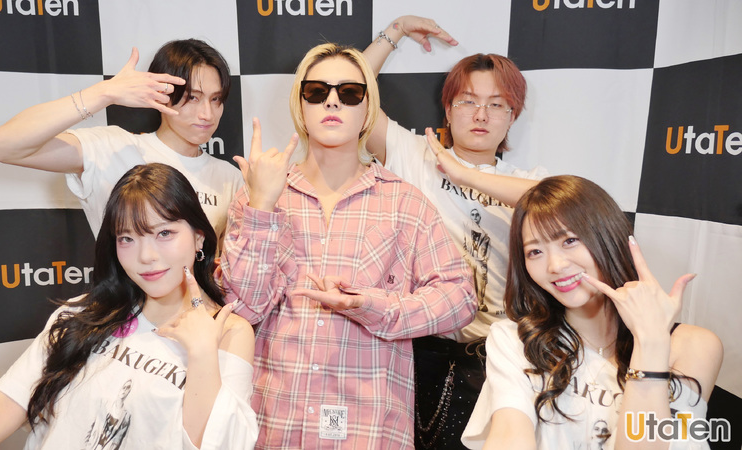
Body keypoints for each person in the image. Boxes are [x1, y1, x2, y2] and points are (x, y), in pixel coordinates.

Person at [220, 43, 477, 449]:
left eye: (350, 92)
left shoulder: (404, 202)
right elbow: (244, 307)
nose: (332, 101)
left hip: (368, 430)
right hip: (274, 426)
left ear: (367, 109)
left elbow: (460, 299)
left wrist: (371, 306)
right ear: (300, 104)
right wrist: (262, 207)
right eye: (317, 91)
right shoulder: (259, 196)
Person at [0, 163, 258, 450]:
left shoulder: (228, 332)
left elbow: (219, 444)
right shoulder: (82, 314)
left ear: (199, 237)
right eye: (127, 238)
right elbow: (3, 406)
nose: (146, 256)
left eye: (164, 233)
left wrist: (202, 354)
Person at [363, 16, 548, 449]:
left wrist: (464, 174)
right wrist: (396, 30)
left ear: (513, 117)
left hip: (497, 353)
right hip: (416, 343)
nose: (481, 114)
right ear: (447, 109)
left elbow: (565, 204)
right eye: (467, 101)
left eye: (497, 104)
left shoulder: (528, 181)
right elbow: (353, 88)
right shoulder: (414, 155)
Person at [461, 175, 723, 450]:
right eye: (535, 251)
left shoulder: (694, 345)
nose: (555, 266)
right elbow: (508, 437)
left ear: (607, 235)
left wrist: (650, 339)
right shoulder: (515, 340)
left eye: (569, 241)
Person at [0, 39, 243, 247]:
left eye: (216, 99)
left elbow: (226, 271)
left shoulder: (230, 178)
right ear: (161, 93)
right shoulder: (113, 148)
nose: (207, 114)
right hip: (123, 299)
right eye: (193, 98)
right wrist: (103, 93)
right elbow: (1, 145)